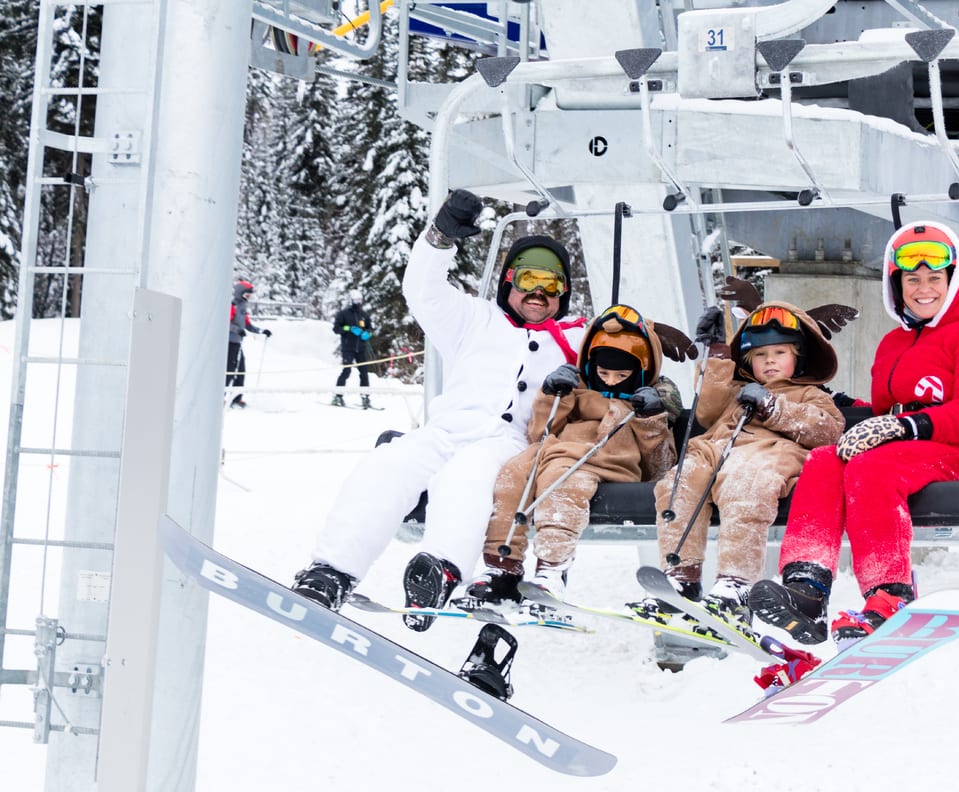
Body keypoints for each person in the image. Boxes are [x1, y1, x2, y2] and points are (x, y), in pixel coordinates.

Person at [290, 189, 587, 614]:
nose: (538, 293)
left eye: (551, 284)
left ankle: (440, 569)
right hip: (446, 430)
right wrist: (440, 238)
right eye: (528, 281)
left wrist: (649, 334)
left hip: (510, 444)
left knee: (468, 477)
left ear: (564, 291)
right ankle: (331, 571)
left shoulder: (578, 337)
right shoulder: (474, 318)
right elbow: (423, 291)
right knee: (388, 464)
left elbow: (625, 352)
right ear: (509, 283)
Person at [753, 221, 959, 647]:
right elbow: (888, 407)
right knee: (824, 461)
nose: (923, 288)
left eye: (934, 279)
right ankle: (807, 587)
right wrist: (849, 409)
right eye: (912, 279)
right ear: (898, 285)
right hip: (903, 449)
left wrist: (906, 425)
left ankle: (890, 594)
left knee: (872, 467)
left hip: (957, 453)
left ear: (954, 281)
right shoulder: (894, 342)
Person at [450, 304, 683, 625]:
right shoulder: (577, 392)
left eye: (621, 375)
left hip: (607, 462)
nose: (612, 381)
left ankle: (551, 570)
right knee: (512, 475)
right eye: (603, 373)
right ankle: (501, 569)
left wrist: (650, 420)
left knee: (562, 480)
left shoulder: (641, 404)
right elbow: (539, 433)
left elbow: (659, 465)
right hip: (552, 454)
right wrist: (551, 394)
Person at [644, 299, 847, 621]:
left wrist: (773, 407)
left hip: (767, 458)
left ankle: (735, 582)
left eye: (780, 353)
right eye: (760, 356)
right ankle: (682, 575)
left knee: (746, 486)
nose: (770, 362)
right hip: (716, 452)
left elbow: (828, 431)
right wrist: (719, 355)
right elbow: (707, 411)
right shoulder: (736, 391)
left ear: (799, 357)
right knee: (678, 482)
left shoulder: (810, 394)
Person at [227, 279, 271, 408]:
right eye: (246, 295)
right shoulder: (232, 305)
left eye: (249, 296)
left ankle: (236, 398)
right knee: (229, 371)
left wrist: (261, 331)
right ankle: (222, 397)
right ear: (240, 293)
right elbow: (226, 322)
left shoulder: (242, 307)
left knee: (241, 371)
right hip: (229, 344)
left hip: (237, 343)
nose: (248, 298)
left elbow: (247, 324)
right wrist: (238, 330)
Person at [332, 289, 375, 409]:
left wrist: (368, 333)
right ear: (351, 301)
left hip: (361, 348)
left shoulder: (364, 315)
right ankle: (338, 396)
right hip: (348, 348)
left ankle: (365, 397)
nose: (358, 302)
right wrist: (348, 328)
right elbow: (336, 329)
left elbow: (370, 328)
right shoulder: (344, 314)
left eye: (360, 300)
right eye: (356, 300)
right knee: (346, 371)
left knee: (364, 373)